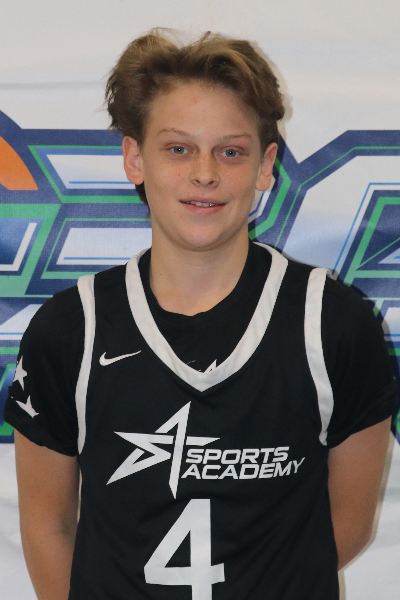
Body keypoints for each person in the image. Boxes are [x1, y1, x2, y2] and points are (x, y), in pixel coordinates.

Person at [5, 30, 397, 600]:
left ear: (265, 165)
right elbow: (48, 527)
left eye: (230, 151)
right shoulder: (70, 330)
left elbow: (346, 525)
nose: (205, 173)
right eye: (178, 149)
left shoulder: (334, 323)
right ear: (135, 158)